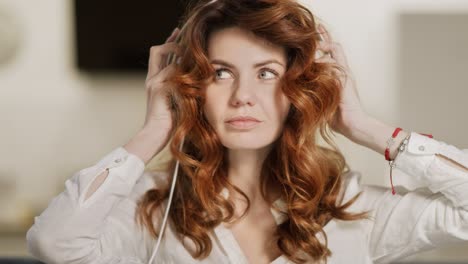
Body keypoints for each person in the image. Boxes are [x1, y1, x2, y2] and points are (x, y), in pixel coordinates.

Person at [26, 0, 468, 263]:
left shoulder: (349, 210)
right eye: (220, 73)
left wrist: (363, 126)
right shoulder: (153, 209)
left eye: (267, 73)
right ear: (193, 88)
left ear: (297, 87)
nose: (242, 96)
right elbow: (54, 244)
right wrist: (155, 129)